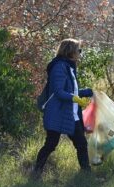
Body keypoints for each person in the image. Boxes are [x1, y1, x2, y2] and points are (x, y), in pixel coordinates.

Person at [32, 38, 93, 179]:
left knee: (81, 144)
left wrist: (89, 92)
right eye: (79, 50)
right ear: (70, 51)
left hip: (72, 114)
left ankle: (86, 175)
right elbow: (58, 91)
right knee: (51, 144)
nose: (80, 53)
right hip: (57, 113)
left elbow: (71, 90)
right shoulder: (59, 66)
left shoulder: (69, 66)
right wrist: (76, 99)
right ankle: (36, 172)